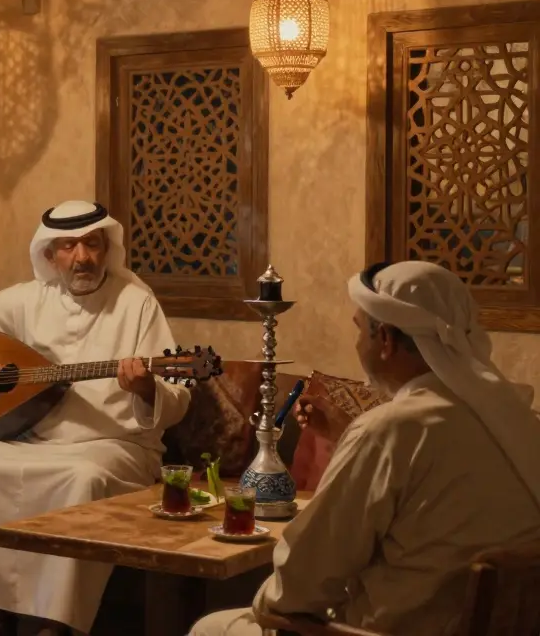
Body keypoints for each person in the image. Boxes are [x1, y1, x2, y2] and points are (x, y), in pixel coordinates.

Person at [190, 261, 540, 636]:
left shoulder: (390, 431)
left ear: (385, 339)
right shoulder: (518, 422)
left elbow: (300, 582)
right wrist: (348, 435)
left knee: (213, 627)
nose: (356, 344)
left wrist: (266, 608)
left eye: (360, 330)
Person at [0, 200, 192, 636]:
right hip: (34, 440)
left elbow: (179, 395)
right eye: (68, 247)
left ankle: (57, 621)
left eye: (91, 243)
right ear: (50, 256)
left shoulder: (137, 302)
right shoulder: (28, 299)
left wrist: (146, 387)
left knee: (81, 477)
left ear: (107, 247)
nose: (82, 257)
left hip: (117, 446)